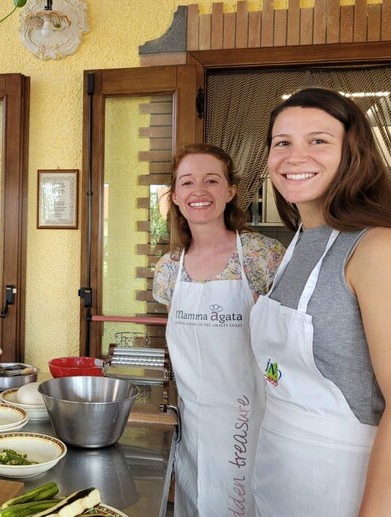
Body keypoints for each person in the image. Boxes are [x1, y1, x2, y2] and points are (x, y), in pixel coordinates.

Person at [250, 87, 391, 516]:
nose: (294, 156)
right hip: (283, 478)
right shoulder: (299, 243)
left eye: (318, 141)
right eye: (282, 142)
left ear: (354, 154)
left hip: (350, 484)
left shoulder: (381, 247)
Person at [152, 144, 285, 517]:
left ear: (229, 191)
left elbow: (286, 345)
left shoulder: (263, 256)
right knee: (199, 498)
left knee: (248, 501)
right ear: (175, 196)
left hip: (253, 415)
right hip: (194, 417)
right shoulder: (168, 270)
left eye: (212, 180)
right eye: (188, 182)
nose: (200, 191)